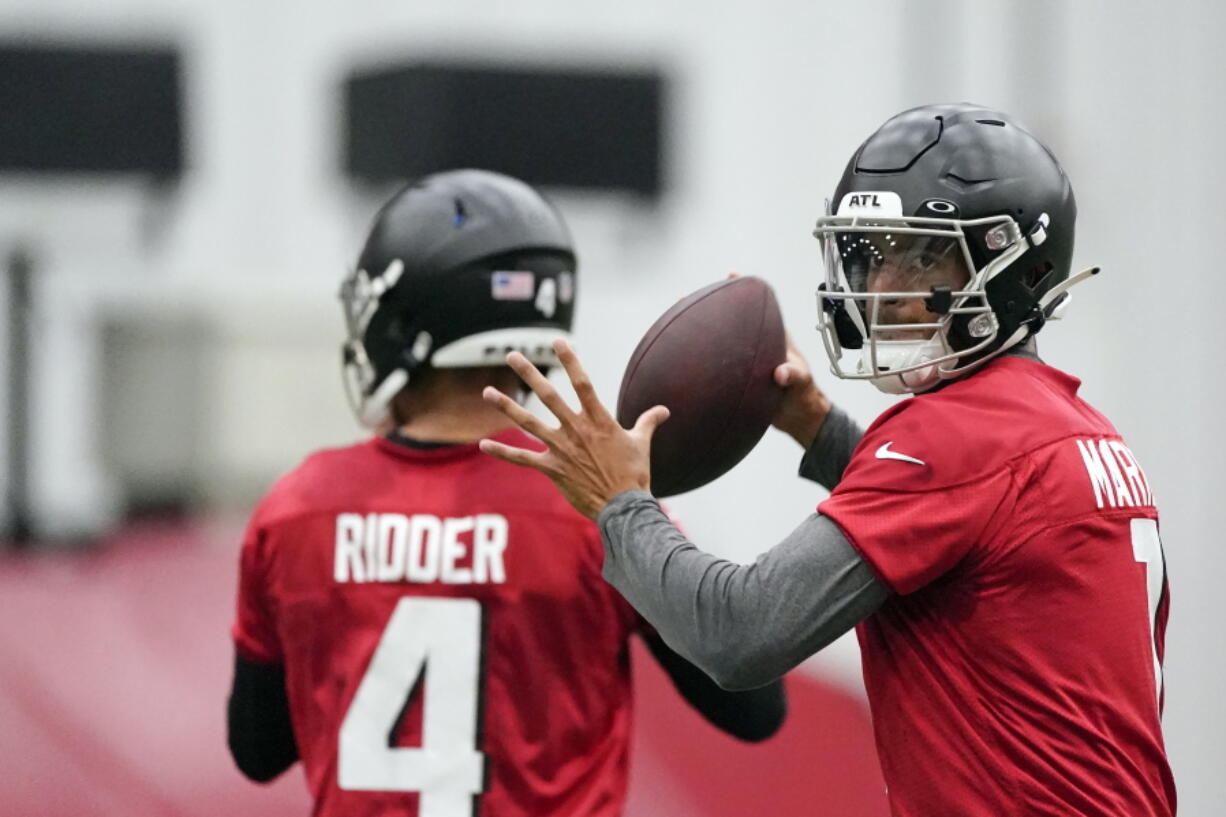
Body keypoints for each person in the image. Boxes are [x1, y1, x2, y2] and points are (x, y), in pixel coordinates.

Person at [479, 105, 1177, 816]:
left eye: (923, 255)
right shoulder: (1077, 429)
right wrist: (817, 428)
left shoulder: (961, 434)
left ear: (1014, 266)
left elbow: (739, 633)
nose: (880, 289)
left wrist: (620, 503)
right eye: (872, 254)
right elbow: (953, 541)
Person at [226, 169, 786, 817]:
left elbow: (257, 749)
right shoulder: (592, 506)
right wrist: (637, 513)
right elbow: (755, 708)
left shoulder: (298, 508)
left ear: (404, 323)